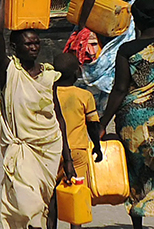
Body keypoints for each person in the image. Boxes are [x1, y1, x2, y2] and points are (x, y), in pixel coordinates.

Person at [97, 0, 154, 229]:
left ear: (134, 20)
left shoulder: (126, 50)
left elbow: (119, 89)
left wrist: (102, 123)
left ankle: (137, 223)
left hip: (133, 120)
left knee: (135, 171)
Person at [0, 0, 70, 229]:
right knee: (28, 204)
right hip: (22, 149)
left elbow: (58, 116)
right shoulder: (9, 71)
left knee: (46, 203)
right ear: (15, 47)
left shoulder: (49, 76)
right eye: (27, 43)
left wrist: (67, 159)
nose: (33, 47)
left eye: (36, 43)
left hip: (49, 147)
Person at [76, 0, 146, 110]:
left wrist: (81, 26)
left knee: (101, 73)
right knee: (121, 75)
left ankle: (100, 112)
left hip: (107, 37)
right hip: (128, 37)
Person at [53, 54, 101, 229]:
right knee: (76, 196)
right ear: (77, 72)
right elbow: (93, 125)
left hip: (51, 151)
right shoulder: (84, 95)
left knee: (51, 198)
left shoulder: (48, 93)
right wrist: (97, 145)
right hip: (77, 153)